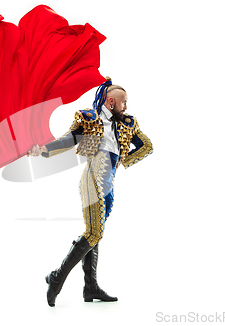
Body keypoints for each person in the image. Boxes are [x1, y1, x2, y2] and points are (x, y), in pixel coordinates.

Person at [28, 77, 153, 307]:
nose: (126, 107)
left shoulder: (126, 123)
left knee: (94, 233)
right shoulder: (90, 119)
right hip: (92, 180)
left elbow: (147, 146)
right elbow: (68, 140)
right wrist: (44, 149)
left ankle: (90, 286)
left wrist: (123, 160)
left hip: (109, 186)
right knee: (94, 233)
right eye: (124, 102)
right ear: (112, 101)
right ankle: (57, 278)